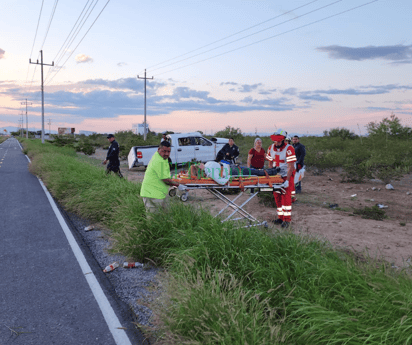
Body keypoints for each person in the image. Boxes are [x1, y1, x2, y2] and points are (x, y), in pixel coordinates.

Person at [266, 129, 296, 228]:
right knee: (277, 197)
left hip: (286, 176)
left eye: (279, 140)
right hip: (275, 176)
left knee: (286, 198)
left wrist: (287, 180)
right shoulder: (270, 148)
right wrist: (270, 176)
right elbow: (270, 163)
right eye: (276, 140)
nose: (277, 142)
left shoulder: (289, 148)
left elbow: (291, 166)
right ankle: (280, 217)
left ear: (283, 140)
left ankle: (287, 220)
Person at [140, 141, 179, 212]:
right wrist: (178, 184)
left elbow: (165, 174)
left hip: (158, 193)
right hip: (152, 194)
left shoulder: (162, 157)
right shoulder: (158, 161)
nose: (166, 154)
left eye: (168, 151)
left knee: (164, 216)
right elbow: (165, 179)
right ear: (159, 149)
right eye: (164, 151)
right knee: (153, 219)